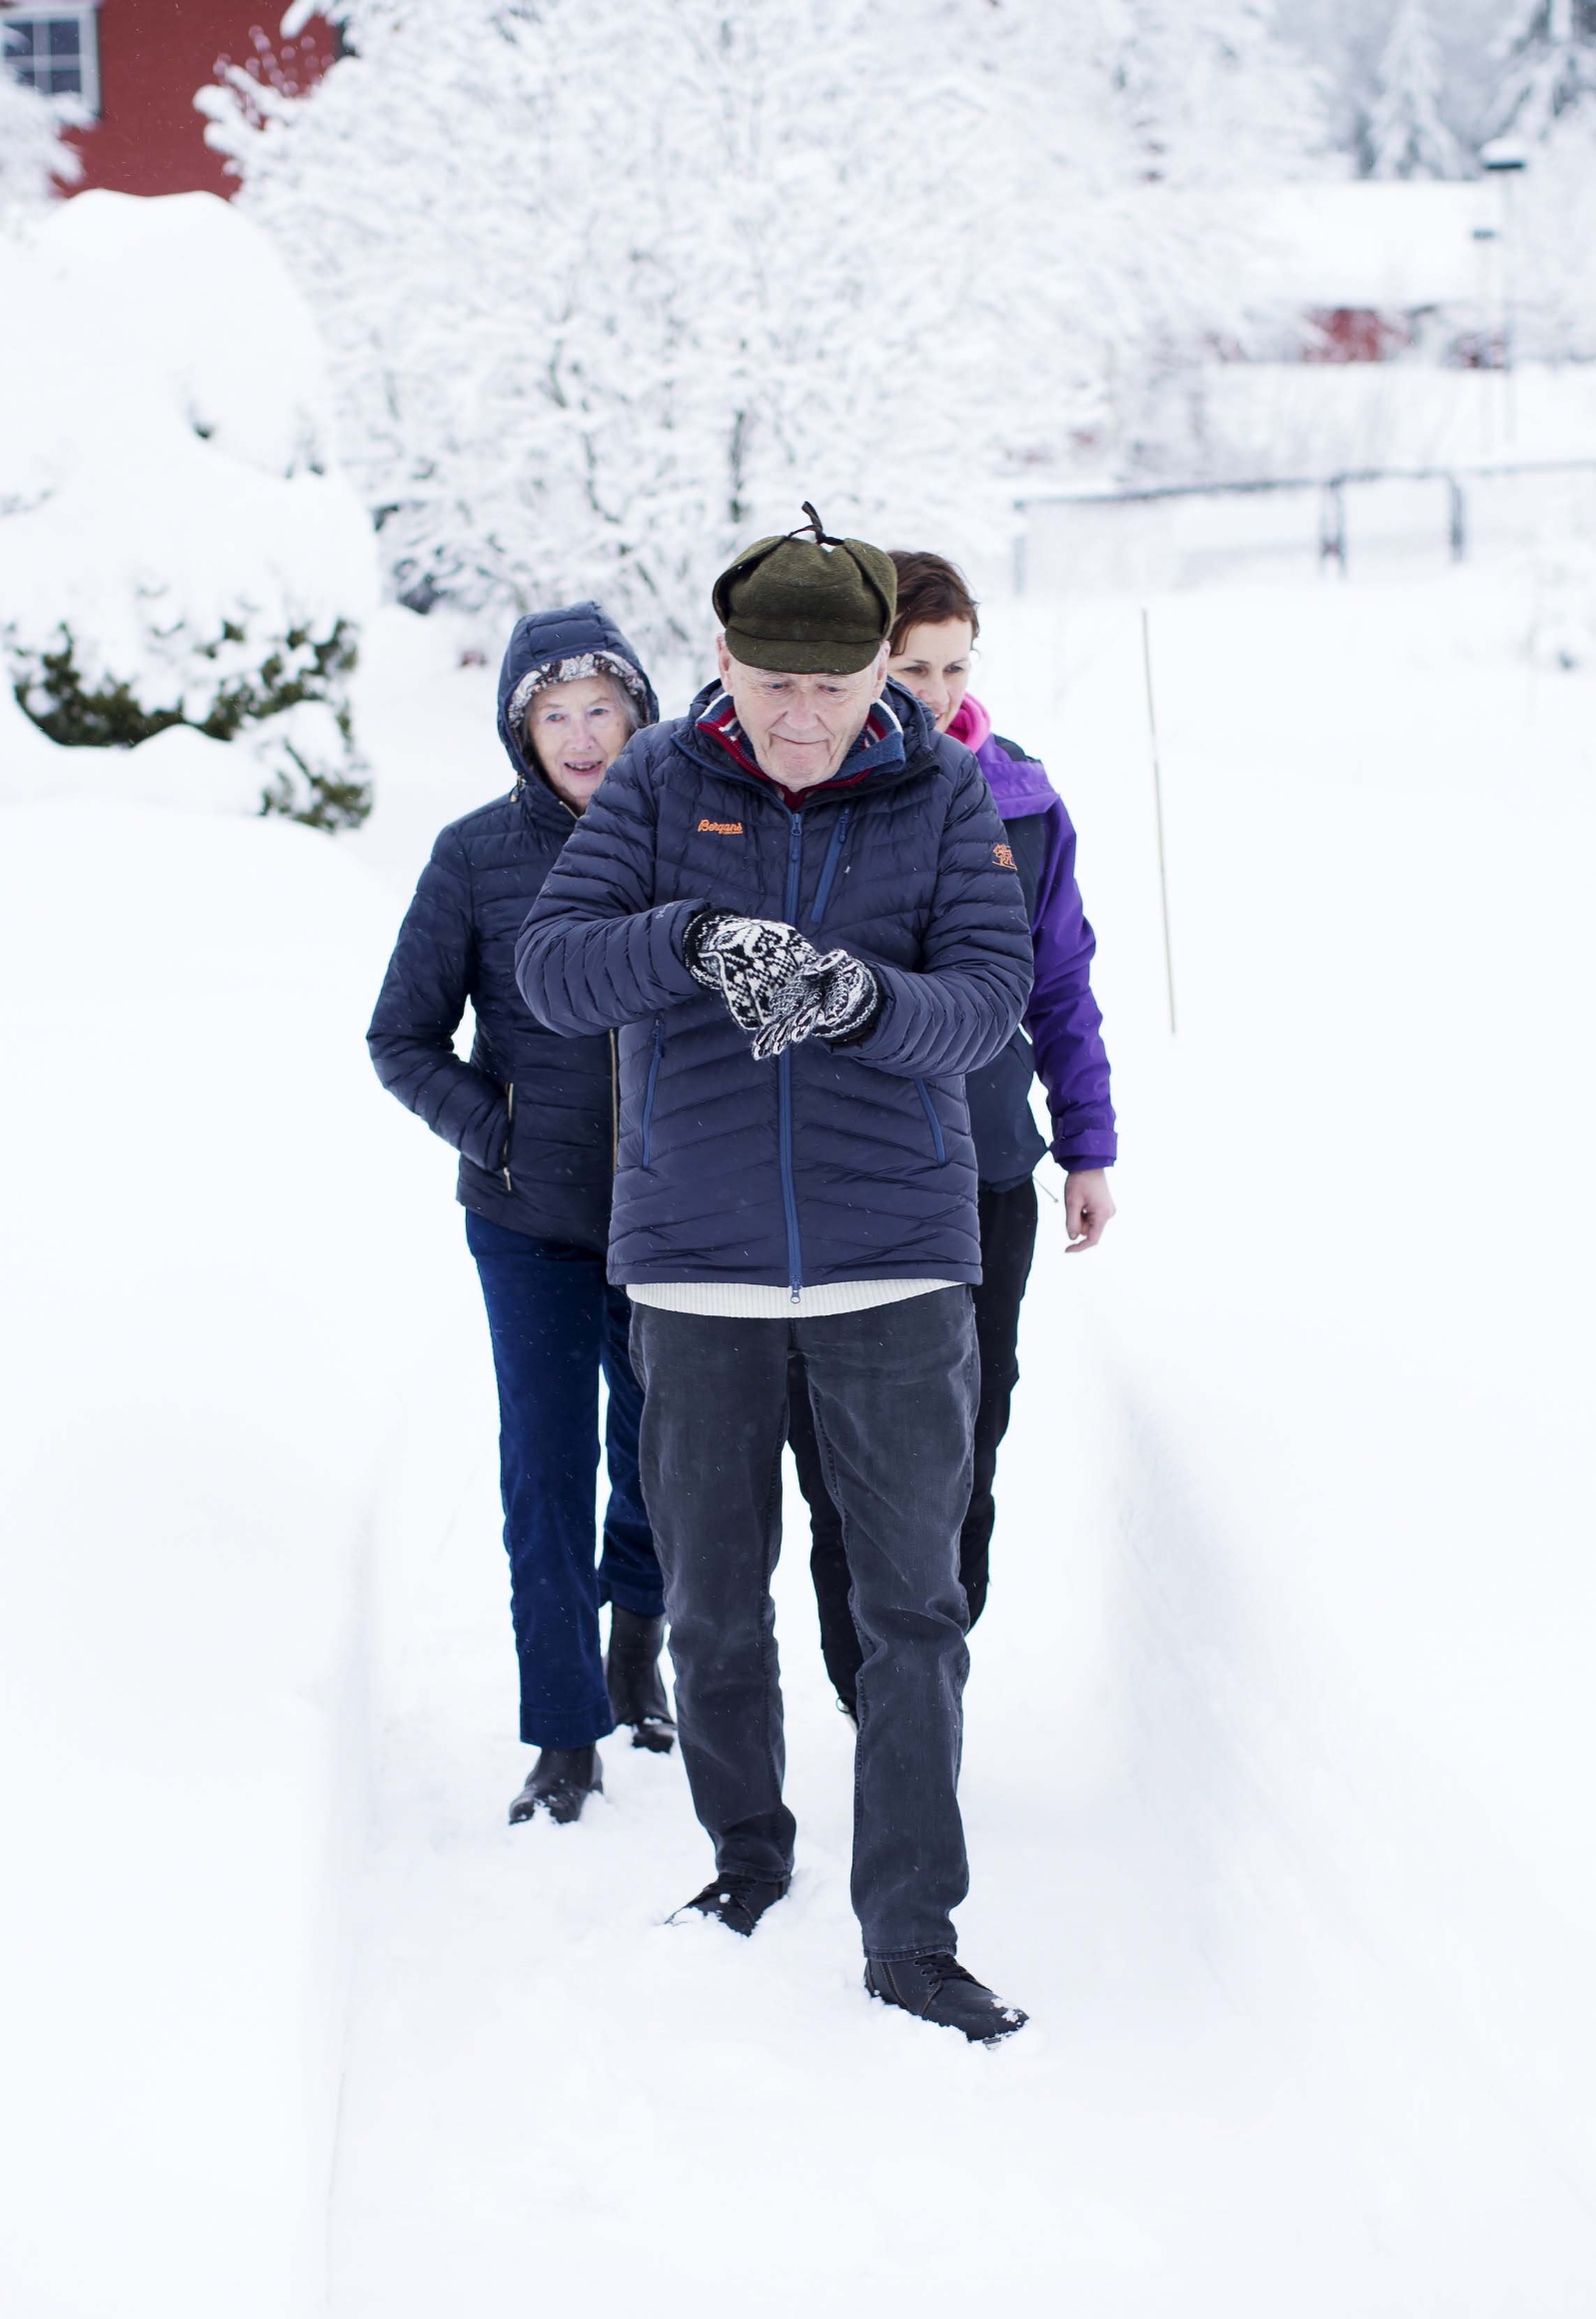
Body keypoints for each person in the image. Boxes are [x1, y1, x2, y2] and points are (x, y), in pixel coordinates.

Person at [516, 508, 1034, 2042]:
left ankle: (911, 1931)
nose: (798, 717)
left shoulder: (942, 794)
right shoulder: (665, 782)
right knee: (714, 1610)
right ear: (722, 663)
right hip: (696, 1264)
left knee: (912, 1612)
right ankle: (746, 1853)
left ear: (880, 667)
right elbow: (552, 969)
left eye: (830, 683)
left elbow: (988, 1007)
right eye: (768, 682)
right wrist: (682, 941)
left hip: (896, 1268)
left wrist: (858, 993)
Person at [789, 550, 1116, 1715]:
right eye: (909, 665)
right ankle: (861, 1669)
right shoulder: (818, 786)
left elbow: (1060, 985)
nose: (930, 689)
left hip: (985, 1168)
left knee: (974, 1415)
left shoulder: (1022, 798)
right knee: (837, 1441)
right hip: (847, 1171)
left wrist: (1085, 1143)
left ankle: (931, 1653)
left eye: (952, 665)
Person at [367, 603, 674, 1829]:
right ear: (519, 729)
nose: (585, 736)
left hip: (673, 1224)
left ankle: (636, 1655)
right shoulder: (475, 856)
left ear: (639, 714)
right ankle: (562, 1735)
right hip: (528, 1222)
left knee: (660, 1462)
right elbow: (400, 1037)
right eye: (557, 714)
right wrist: (500, 1130)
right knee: (545, 1474)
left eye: (603, 709)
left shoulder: (687, 837)